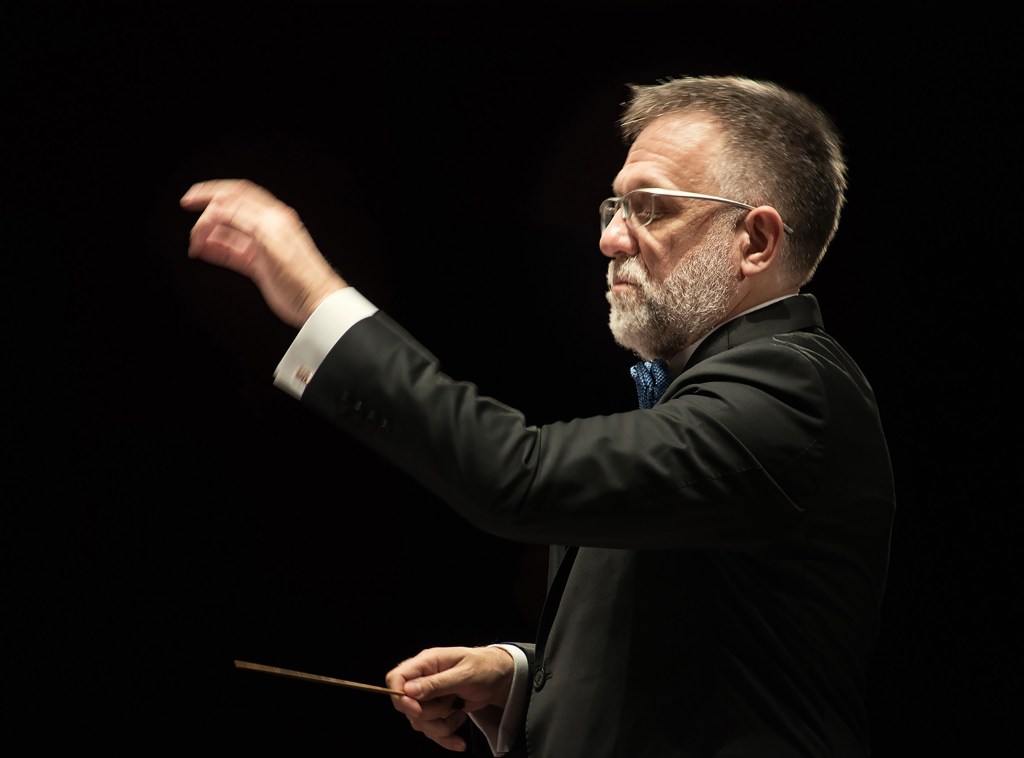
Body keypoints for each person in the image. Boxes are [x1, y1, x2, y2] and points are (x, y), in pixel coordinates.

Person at [180, 74, 896, 757]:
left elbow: (519, 478)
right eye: (614, 207)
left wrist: (316, 298)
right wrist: (521, 675)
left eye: (651, 207)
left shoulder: (792, 389)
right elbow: (708, 651)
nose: (611, 238)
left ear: (756, 241)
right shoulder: (706, 394)